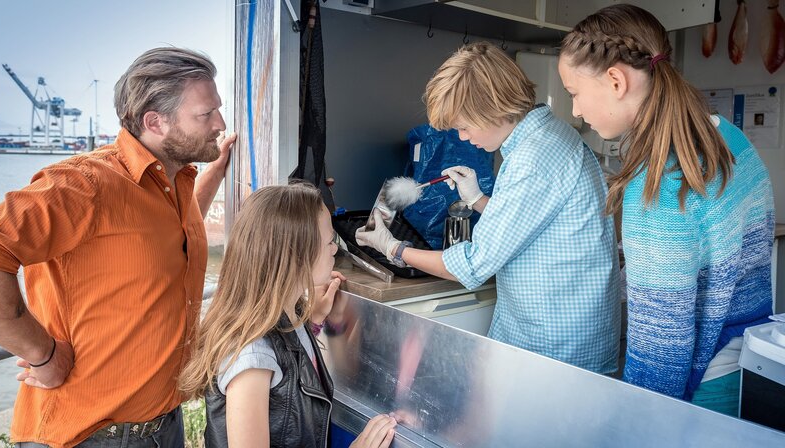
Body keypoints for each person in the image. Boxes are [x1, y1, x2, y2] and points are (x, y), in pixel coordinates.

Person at [0, 47, 237, 447]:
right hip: (88, 437)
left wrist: (218, 170)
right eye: (206, 114)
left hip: (163, 428)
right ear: (155, 122)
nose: (220, 123)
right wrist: (42, 353)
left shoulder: (175, 184)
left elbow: (174, 232)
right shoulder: (85, 184)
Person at [557, 4, 774, 415]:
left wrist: (639, 422)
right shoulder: (727, 137)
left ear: (616, 81)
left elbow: (661, 346)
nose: (576, 111)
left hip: (700, 393)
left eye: (574, 93)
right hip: (752, 371)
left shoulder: (658, 184)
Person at [356, 41, 621, 375]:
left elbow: (471, 266)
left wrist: (393, 248)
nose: (463, 138)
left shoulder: (531, 160)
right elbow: (531, 222)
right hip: (569, 336)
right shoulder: (551, 133)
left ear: (492, 108)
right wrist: (477, 200)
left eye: (464, 126)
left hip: (553, 350)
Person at [178, 183, 397, 448]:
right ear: (296, 256)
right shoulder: (252, 359)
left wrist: (312, 322)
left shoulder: (291, 316)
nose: (335, 250)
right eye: (329, 241)